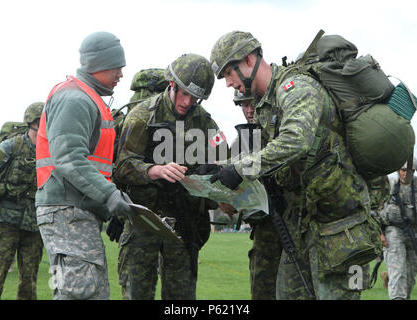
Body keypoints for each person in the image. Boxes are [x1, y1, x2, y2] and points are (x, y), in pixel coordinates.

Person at [210, 31, 380, 300]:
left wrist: (240, 169)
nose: (229, 83)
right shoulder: (268, 104)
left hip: (339, 225)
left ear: (250, 59)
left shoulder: (297, 88)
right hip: (301, 225)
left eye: (229, 73)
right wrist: (218, 175)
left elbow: (295, 141)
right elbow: (267, 153)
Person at [113, 53, 223, 300]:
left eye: (195, 97)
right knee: (136, 293)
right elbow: (121, 166)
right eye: (184, 93)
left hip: (184, 222)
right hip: (144, 220)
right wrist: (155, 170)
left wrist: (219, 182)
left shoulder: (206, 123)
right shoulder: (141, 116)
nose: (188, 102)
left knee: (182, 297)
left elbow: (225, 161)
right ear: (171, 85)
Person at [35, 31, 135, 300]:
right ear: (99, 64)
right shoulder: (75, 99)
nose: (121, 75)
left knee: (84, 293)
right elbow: (68, 159)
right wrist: (110, 195)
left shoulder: (85, 98)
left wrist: (106, 205)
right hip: (68, 213)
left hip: (74, 212)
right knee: (80, 294)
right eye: (117, 67)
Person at [107, 68, 168, 300]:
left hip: (159, 217)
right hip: (137, 218)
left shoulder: (124, 119)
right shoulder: (125, 121)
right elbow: (114, 168)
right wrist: (117, 213)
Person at [0, 102, 44, 300]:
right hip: (4, 221)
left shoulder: (51, 153)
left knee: (29, 283)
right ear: (33, 123)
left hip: (34, 225)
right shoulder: (11, 146)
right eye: (43, 121)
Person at [231, 89, 282, 300]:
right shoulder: (238, 144)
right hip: (264, 231)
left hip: (293, 224)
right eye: (244, 105)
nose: (249, 110)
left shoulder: (280, 132)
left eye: (253, 103)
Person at [379, 158, 417, 299]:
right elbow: (374, 207)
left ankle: (392, 281)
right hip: (393, 231)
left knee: (412, 271)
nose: (406, 174)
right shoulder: (388, 184)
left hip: (414, 232)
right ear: (398, 170)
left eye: (410, 171)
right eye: (403, 170)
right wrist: (380, 233)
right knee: (398, 271)